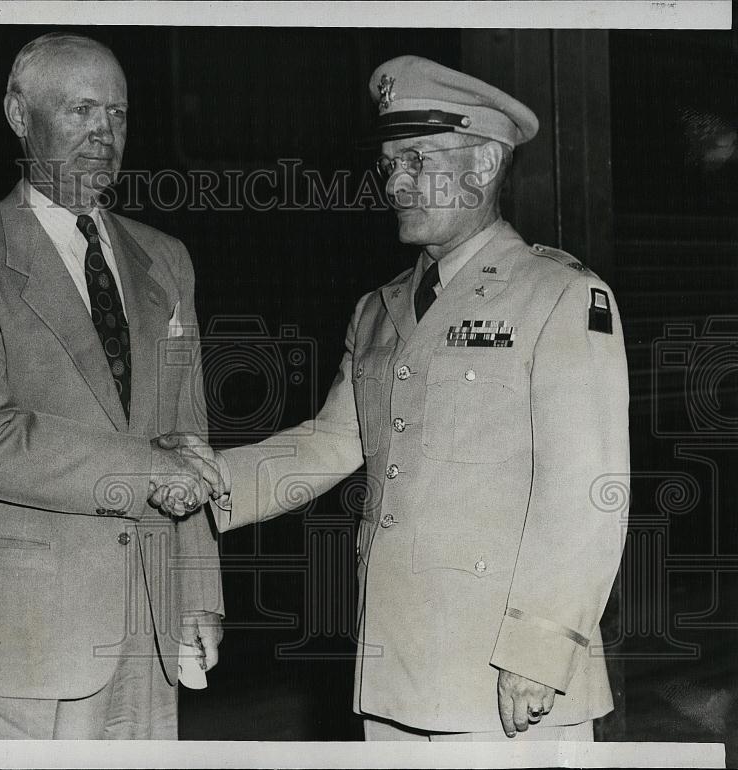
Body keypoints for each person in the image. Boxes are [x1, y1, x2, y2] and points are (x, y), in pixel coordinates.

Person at [164, 55, 629, 741]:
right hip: (395, 667)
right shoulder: (379, 310)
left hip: (508, 675)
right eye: (389, 165)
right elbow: (331, 441)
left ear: (485, 164)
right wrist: (209, 480)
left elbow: (587, 489)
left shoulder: (558, 297)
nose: (395, 183)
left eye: (416, 159)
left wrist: (538, 650)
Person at [0, 32, 223, 740]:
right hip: (17, 637)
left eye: (117, 114)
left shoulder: (164, 259)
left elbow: (189, 434)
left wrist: (199, 593)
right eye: (81, 111)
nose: (103, 135)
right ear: (20, 116)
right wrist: (153, 467)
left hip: (146, 624)